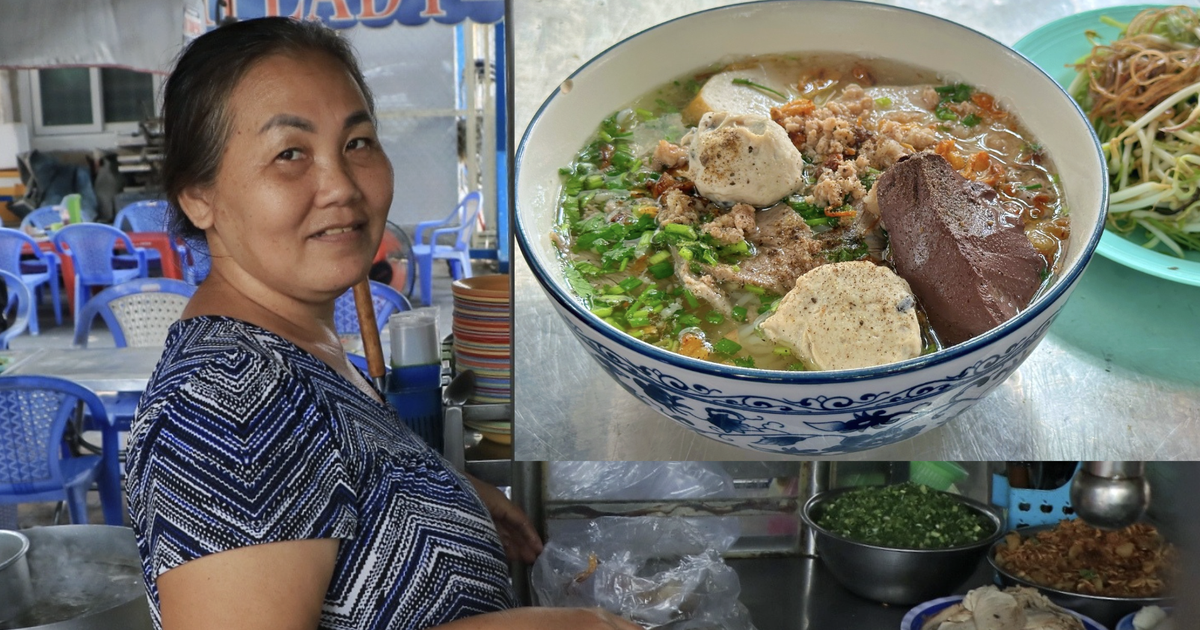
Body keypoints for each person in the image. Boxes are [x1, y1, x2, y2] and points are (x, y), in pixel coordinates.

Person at [124, 18, 639, 630]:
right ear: (198, 196)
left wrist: (445, 496)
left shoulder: (299, 349)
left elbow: (325, 476)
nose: (341, 186)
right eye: (290, 154)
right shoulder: (231, 400)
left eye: (357, 143)